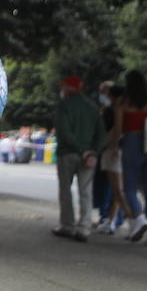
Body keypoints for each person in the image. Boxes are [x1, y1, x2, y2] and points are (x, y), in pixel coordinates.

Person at [52, 75, 105, 242]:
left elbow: (64, 132)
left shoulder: (63, 105)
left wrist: (82, 150)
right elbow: (101, 134)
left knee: (65, 191)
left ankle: (68, 225)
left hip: (67, 153)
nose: (62, 90)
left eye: (64, 87)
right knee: (85, 192)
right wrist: (92, 152)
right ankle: (84, 228)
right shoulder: (92, 107)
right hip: (88, 155)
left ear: (69, 89)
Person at [112, 69, 147, 243]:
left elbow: (118, 128)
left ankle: (139, 217)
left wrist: (114, 147)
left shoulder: (123, 103)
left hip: (131, 142)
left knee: (129, 188)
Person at [96, 82, 129, 234]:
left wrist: (113, 147)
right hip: (126, 149)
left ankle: (132, 217)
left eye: (107, 93)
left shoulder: (116, 109)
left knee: (116, 188)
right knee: (119, 188)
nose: (105, 96)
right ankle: (113, 218)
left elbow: (116, 128)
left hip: (114, 149)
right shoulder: (133, 108)